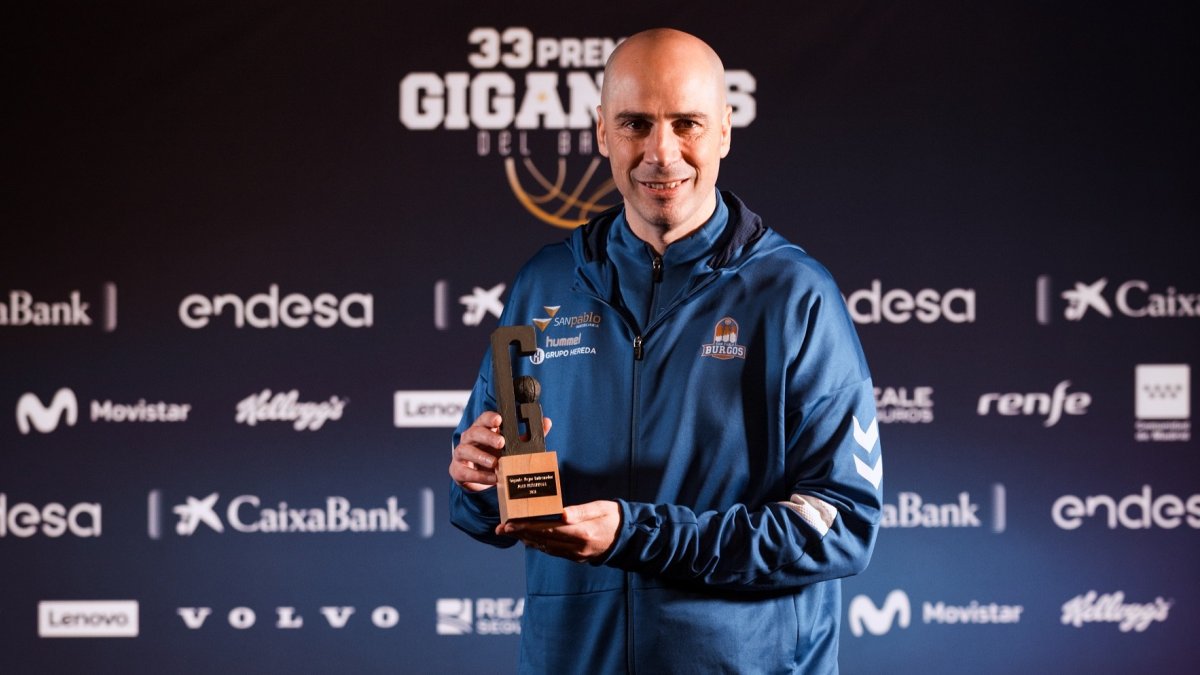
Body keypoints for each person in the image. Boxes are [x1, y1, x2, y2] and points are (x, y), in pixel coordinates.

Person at [450, 27, 882, 674]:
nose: (662, 152)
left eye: (687, 123)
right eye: (635, 124)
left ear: (725, 131)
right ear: (601, 132)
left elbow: (840, 524)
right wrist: (480, 480)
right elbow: (483, 508)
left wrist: (633, 534)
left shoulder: (794, 295)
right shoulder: (545, 283)